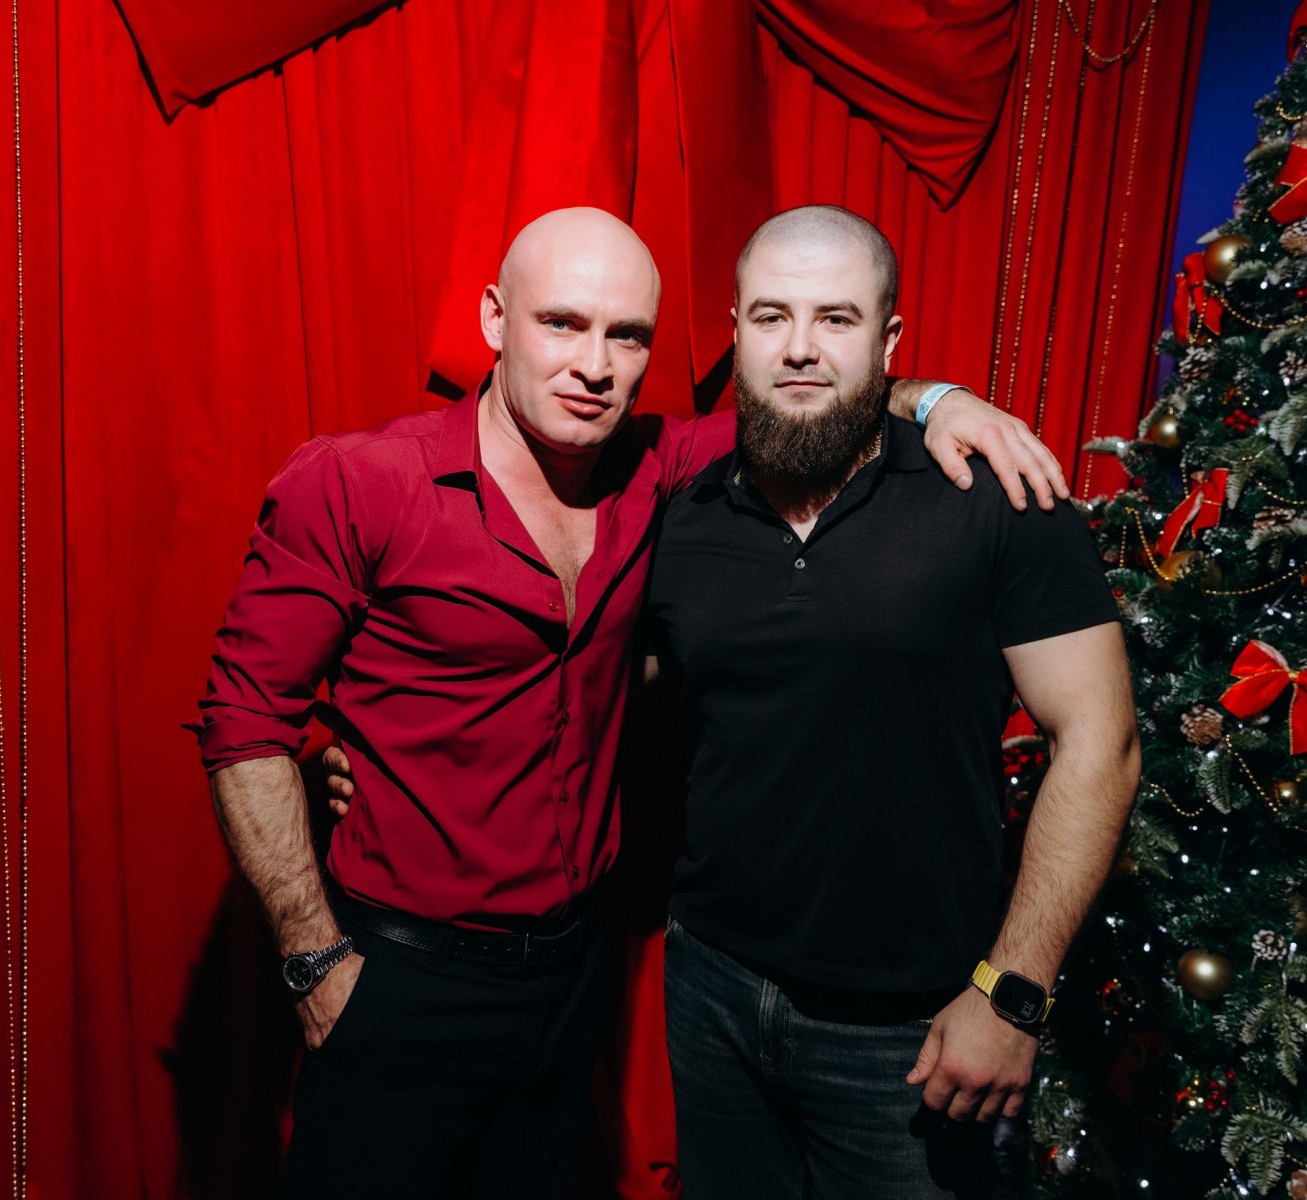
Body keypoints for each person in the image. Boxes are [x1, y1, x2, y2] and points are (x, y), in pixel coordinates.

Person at [192, 206, 1070, 1198]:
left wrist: (939, 399)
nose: (593, 365)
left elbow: (812, 398)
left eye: (627, 336)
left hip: (570, 978)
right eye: (561, 324)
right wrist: (313, 959)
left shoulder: (659, 469)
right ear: (494, 320)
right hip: (400, 974)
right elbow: (243, 723)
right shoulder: (360, 483)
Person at [637, 206, 1140, 1198]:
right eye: (773, 316)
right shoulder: (681, 515)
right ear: (735, 331)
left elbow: (1101, 741)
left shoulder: (993, 498)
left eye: (836, 318)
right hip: (710, 985)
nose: (800, 347)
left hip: (910, 1030)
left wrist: (1013, 992)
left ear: (889, 338)